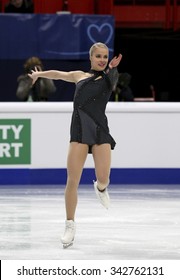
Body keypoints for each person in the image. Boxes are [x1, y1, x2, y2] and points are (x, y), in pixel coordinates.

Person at [28, 42, 122, 248]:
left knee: (104, 177)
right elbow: (59, 74)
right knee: (72, 180)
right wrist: (40, 74)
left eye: (105, 56)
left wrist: (112, 69)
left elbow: (112, 82)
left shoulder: (108, 78)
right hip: (78, 131)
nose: (102, 59)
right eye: (98, 56)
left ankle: (100, 188)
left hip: (99, 131)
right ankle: (69, 224)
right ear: (90, 57)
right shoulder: (79, 76)